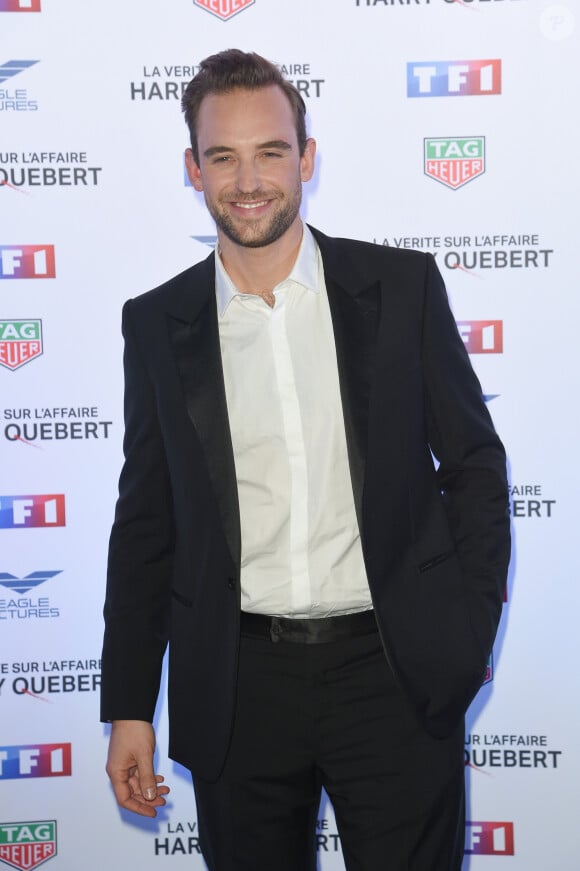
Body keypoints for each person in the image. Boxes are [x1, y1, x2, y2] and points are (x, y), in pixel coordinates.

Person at [101, 49, 510, 871]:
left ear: (307, 158)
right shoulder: (157, 323)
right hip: (239, 685)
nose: (248, 180)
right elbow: (146, 522)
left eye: (271, 152)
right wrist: (130, 706)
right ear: (194, 169)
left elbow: (473, 464)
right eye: (224, 156)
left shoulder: (400, 289)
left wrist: (463, 639)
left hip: (393, 675)